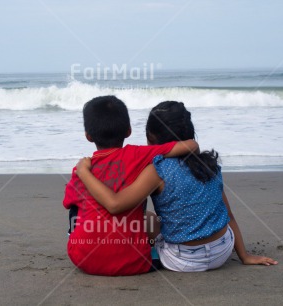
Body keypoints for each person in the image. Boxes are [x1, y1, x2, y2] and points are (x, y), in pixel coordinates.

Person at [75, 101, 278, 272]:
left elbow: (115, 204)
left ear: (152, 139)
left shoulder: (156, 170)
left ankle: (153, 253)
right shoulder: (208, 163)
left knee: (146, 219)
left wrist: (84, 172)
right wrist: (244, 256)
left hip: (182, 261)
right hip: (223, 251)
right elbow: (228, 214)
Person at [63, 96, 199, 276]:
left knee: (76, 208)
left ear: (88, 136)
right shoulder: (140, 155)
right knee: (142, 208)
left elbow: (69, 202)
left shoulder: (80, 171)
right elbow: (191, 146)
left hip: (83, 260)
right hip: (135, 262)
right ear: (128, 131)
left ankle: (88, 245)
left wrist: (84, 173)